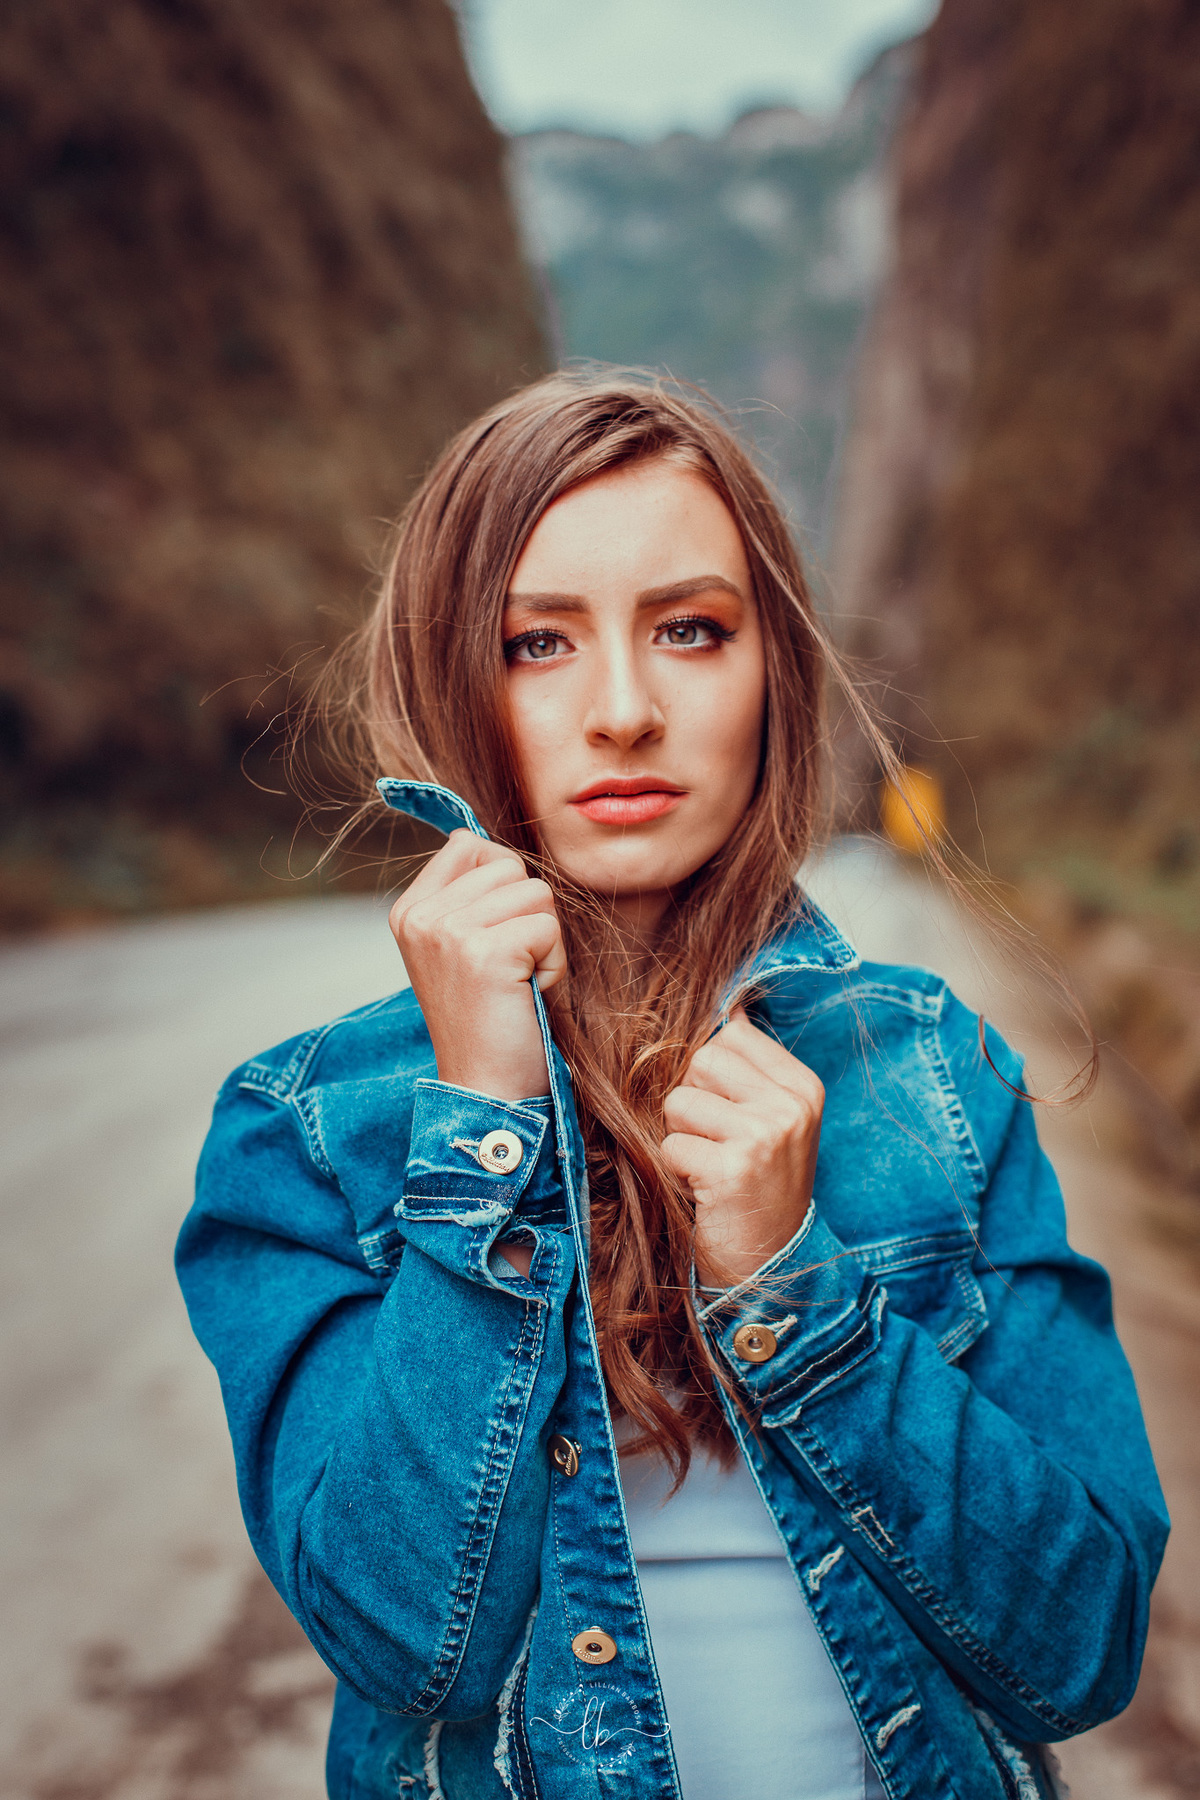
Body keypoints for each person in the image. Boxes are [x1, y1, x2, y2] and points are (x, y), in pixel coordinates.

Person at [177, 373, 1167, 1800]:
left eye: (690, 631)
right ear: (450, 679)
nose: (625, 712)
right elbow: (409, 1646)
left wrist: (795, 1289)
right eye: (537, 644)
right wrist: (484, 1136)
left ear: (775, 670)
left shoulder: (936, 1077)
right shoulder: (309, 1135)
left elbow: (1083, 1648)